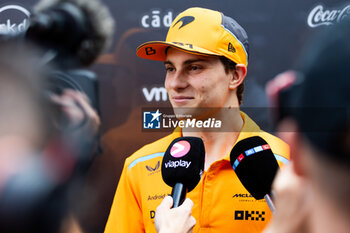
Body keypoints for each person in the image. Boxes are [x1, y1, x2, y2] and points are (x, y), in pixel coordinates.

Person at [104, 7, 289, 233]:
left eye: (194, 67)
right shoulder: (139, 166)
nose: (175, 83)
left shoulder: (285, 164)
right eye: (170, 68)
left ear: (235, 76)